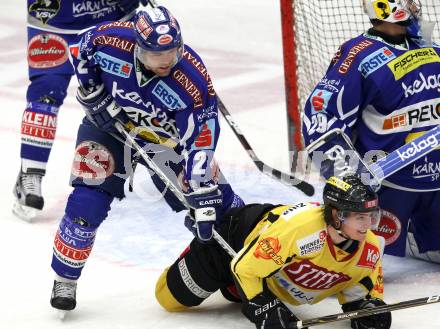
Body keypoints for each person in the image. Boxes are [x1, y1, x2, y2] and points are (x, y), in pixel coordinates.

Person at [49, 6, 244, 312]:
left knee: (221, 209)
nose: (167, 60)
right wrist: (93, 91)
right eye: (157, 54)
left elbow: (201, 140)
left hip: (165, 145)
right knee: (86, 203)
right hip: (109, 129)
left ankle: (245, 268)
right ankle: (66, 278)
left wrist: (201, 189)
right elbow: (80, 48)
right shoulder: (110, 39)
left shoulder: (191, 79)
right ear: (138, 48)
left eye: (173, 50)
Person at [155, 174, 391, 329]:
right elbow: (243, 268)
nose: (368, 224)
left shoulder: (370, 246)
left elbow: (359, 290)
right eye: (360, 217)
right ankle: (204, 245)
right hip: (232, 244)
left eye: (372, 216)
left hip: (266, 271)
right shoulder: (298, 231)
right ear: (336, 217)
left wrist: (367, 310)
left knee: (237, 294)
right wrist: (262, 308)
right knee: (170, 298)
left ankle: (234, 289)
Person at [302, 0, 440, 263]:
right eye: (407, 0)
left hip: (436, 185)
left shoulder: (429, 46)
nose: (415, 5)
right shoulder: (359, 55)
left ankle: (418, 234)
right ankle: (408, 234)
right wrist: (347, 173)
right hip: (390, 186)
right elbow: (320, 114)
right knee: (349, 265)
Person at [13, 0, 147, 220]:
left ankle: (161, 160)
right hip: (55, 20)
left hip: (110, 17)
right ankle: (31, 172)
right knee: (46, 91)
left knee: (132, 87)